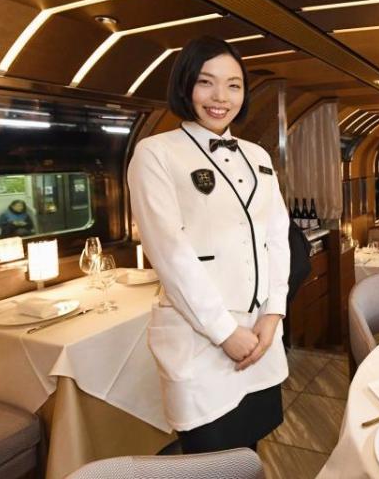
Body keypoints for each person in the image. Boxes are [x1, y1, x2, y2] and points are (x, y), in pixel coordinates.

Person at [127, 36, 290, 453]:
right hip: (203, 341)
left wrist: (273, 313)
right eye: (206, 82)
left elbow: (276, 237)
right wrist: (224, 333)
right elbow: (170, 254)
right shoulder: (155, 153)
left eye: (234, 85)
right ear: (185, 87)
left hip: (260, 334)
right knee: (209, 459)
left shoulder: (259, 156)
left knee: (249, 450)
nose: (221, 97)